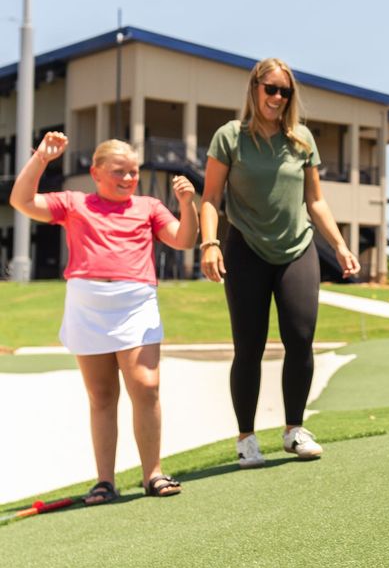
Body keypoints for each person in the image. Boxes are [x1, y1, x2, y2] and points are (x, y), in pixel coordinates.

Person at [11, 134, 199, 502]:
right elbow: (21, 201)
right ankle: (105, 481)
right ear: (96, 173)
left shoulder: (148, 206)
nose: (129, 179)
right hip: (88, 304)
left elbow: (183, 239)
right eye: (120, 172)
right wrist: (41, 160)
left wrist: (187, 204)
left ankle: (153, 474)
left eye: (133, 172)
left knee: (145, 385)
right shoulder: (74, 203)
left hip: (135, 303)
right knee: (101, 395)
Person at [200, 57, 360, 468]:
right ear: (254, 88)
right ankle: (246, 438)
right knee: (248, 346)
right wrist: (210, 243)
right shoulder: (229, 137)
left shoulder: (301, 139)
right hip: (246, 248)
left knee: (300, 338)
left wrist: (340, 246)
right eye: (269, 88)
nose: (276, 97)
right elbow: (210, 198)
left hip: (297, 248)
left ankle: (294, 430)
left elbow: (316, 201)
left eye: (284, 91)